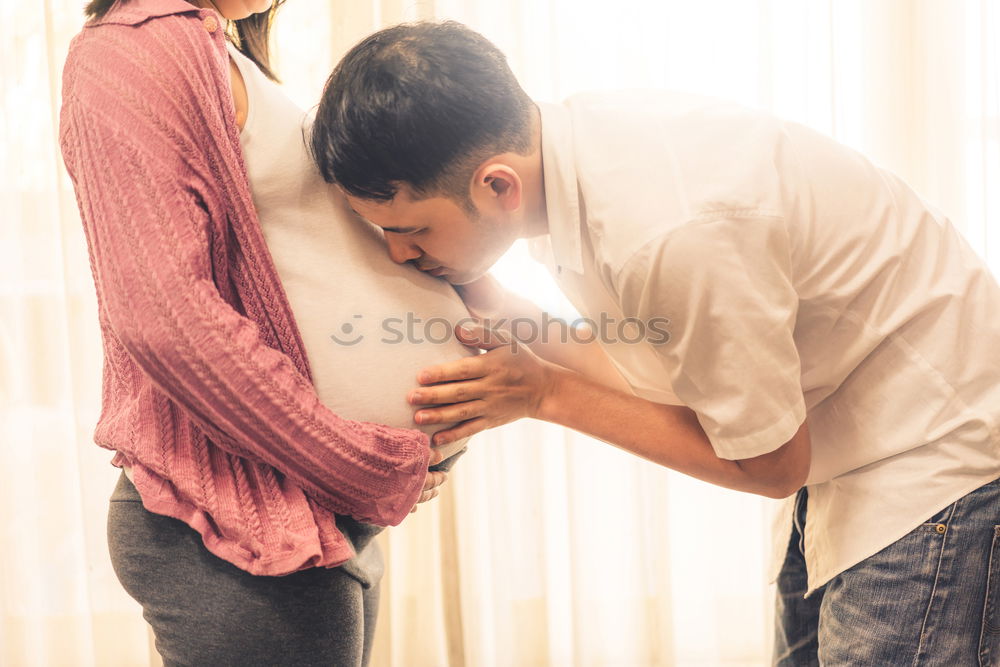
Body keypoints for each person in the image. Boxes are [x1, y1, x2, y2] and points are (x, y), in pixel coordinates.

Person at [308, 20, 1000, 664]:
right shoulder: (571, 163)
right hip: (849, 455)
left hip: (935, 456)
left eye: (412, 231)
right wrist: (505, 312)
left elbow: (769, 465)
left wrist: (545, 394)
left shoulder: (668, 230)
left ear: (497, 185)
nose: (400, 255)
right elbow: (647, 365)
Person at [58, 1, 471, 664]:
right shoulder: (130, 50)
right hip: (234, 521)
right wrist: (354, 464)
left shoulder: (220, 49)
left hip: (309, 509)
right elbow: (165, 319)